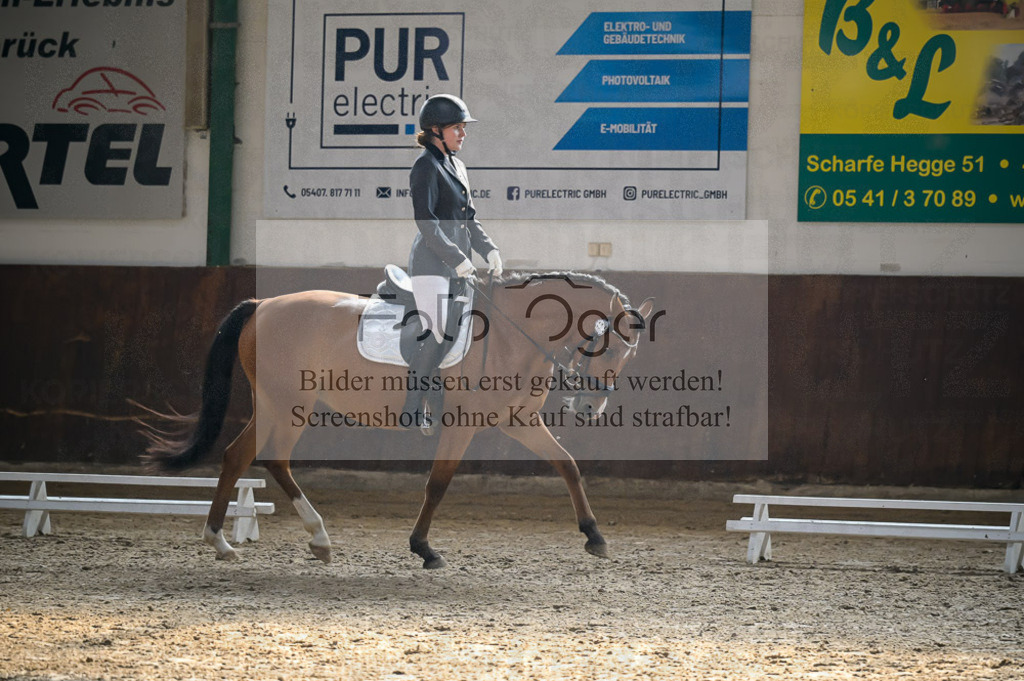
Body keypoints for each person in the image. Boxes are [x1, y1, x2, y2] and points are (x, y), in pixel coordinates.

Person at [401, 94, 503, 431]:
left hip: (461, 265)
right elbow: (426, 222)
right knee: (439, 328)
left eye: (463, 127)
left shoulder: (457, 165)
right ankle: (413, 407)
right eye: (457, 127)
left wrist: (489, 250)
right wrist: (457, 259)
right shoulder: (424, 166)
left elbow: (469, 219)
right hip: (431, 264)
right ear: (435, 129)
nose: (463, 133)